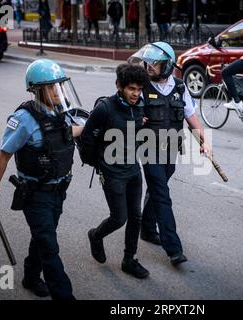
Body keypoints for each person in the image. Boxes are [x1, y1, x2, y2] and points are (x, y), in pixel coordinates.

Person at [0, 59, 84, 300]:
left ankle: (30, 277)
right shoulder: (24, 119)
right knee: (50, 246)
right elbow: (4, 154)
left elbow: (66, 133)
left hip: (59, 190)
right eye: (52, 87)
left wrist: (91, 124)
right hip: (35, 195)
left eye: (61, 86)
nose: (59, 92)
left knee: (43, 238)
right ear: (37, 89)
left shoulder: (62, 111)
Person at [128, 42, 212, 265]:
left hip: (171, 149)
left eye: (153, 65)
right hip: (148, 149)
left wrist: (204, 140)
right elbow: (127, 110)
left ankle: (146, 228)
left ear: (166, 66)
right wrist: (137, 118)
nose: (148, 68)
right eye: (147, 64)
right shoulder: (142, 87)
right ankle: (173, 247)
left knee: (158, 188)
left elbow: (192, 117)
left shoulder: (181, 88)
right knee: (162, 194)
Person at [82, 64, 150, 279]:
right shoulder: (105, 108)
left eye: (139, 89)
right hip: (112, 172)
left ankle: (129, 259)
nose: (136, 94)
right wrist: (99, 164)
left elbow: (136, 129)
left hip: (133, 169)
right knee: (119, 218)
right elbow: (86, 139)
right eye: (132, 89)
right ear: (119, 86)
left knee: (136, 217)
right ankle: (95, 235)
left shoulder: (140, 105)